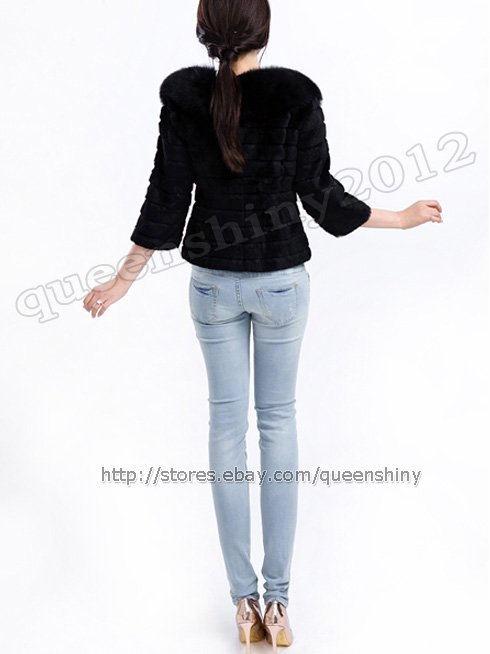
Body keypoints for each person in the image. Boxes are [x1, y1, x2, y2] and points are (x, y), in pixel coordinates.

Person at [82, 0, 443, 650]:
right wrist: (401, 217)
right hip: (281, 285)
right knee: (278, 427)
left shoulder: (185, 100)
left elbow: (166, 199)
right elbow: (322, 196)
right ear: (264, 31)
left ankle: (243, 604)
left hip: (212, 287)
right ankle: (279, 605)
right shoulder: (293, 98)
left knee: (226, 430)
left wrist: (122, 280)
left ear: (204, 32)